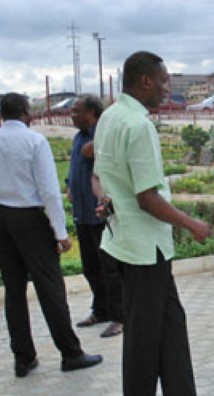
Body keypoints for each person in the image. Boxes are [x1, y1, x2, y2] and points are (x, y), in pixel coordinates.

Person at [93, 51, 214, 396]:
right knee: (151, 338)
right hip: (145, 249)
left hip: (125, 244)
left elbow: (102, 177)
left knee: (162, 334)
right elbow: (148, 197)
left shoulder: (110, 117)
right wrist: (192, 224)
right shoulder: (137, 125)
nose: (168, 87)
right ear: (144, 80)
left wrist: (109, 200)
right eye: (164, 80)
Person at [0, 93, 103, 378]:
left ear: (1, 115)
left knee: (14, 290)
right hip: (30, 218)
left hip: (2, 219)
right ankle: (71, 353)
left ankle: (23, 358)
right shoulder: (34, 141)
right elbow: (49, 191)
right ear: (27, 113)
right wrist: (60, 232)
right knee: (50, 288)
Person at [68, 94, 123, 338]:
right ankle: (100, 309)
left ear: (93, 113)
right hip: (82, 213)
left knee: (110, 269)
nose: (73, 116)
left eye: (77, 111)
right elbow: (75, 167)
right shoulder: (79, 138)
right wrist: (70, 185)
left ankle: (120, 316)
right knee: (91, 268)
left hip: (102, 215)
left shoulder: (102, 136)